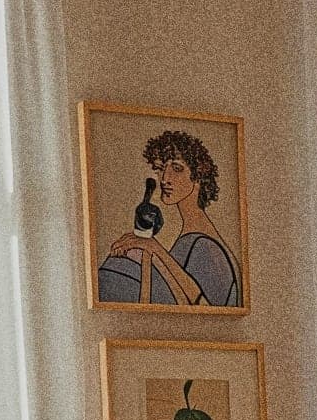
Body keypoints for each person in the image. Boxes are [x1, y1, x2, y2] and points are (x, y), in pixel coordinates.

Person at [96, 129, 241, 308]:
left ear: (198, 176)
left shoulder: (206, 246)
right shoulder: (190, 240)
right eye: (160, 169)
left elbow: (203, 309)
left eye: (177, 168)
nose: (164, 179)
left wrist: (153, 248)